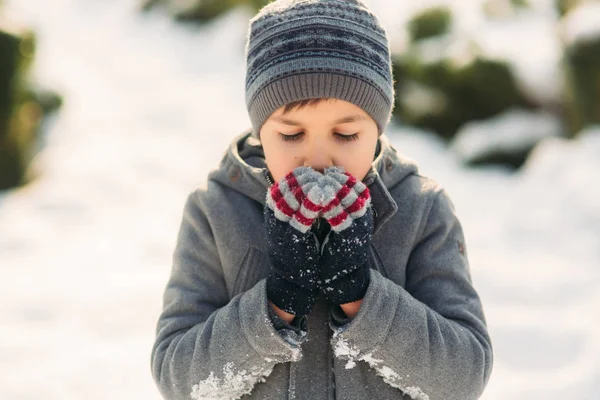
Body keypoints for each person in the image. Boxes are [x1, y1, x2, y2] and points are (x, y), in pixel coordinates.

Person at [150, 0, 493, 399]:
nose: (316, 159)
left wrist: (362, 296)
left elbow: (464, 379)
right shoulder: (215, 212)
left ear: (377, 129)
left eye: (345, 135)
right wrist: (276, 305)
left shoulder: (420, 209)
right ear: (261, 131)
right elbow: (178, 380)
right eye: (291, 135)